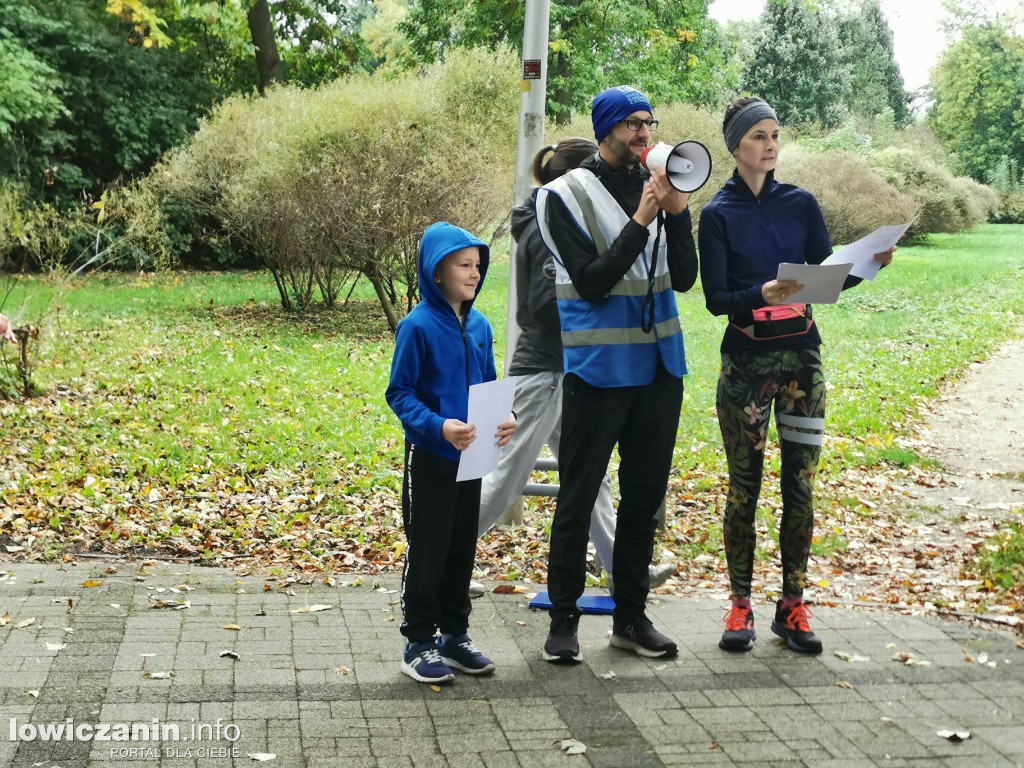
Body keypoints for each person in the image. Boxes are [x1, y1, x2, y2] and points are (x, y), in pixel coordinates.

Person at [698, 97, 895, 655]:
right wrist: (758, 294)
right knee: (744, 488)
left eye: (775, 135)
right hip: (746, 365)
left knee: (800, 486)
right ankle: (740, 605)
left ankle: (793, 604)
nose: (770, 145)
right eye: (759, 136)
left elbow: (824, 281)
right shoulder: (716, 215)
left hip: (802, 364)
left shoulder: (801, 204)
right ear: (737, 146)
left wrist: (868, 265)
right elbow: (716, 301)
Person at [534, 85, 699, 663]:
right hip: (599, 370)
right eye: (631, 123)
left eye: (649, 122)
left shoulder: (662, 186)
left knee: (643, 498)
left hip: (659, 369)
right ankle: (563, 620)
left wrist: (677, 217)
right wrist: (643, 218)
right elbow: (592, 281)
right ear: (605, 129)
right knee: (578, 497)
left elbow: (682, 280)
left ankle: (630, 617)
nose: (644, 132)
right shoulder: (560, 197)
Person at [475, 139, 676, 596]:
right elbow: (549, 305)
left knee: (592, 478)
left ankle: (621, 569)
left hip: (569, 369)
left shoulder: (539, 219)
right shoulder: (552, 225)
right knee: (505, 477)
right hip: (545, 370)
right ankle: (441, 558)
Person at [386, 221, 517, 684]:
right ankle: (418, 642)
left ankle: (455, 635)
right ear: (435, 272)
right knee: (429, 548)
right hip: (431, 458)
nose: (474, 273)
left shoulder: (479, 325)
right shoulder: (416, 327)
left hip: (473, 458)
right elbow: (399, 394)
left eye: (478, 266)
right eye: (464, 265)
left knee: (462, 545)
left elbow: (488, 381)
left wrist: (507, 417)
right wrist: (438, 426)